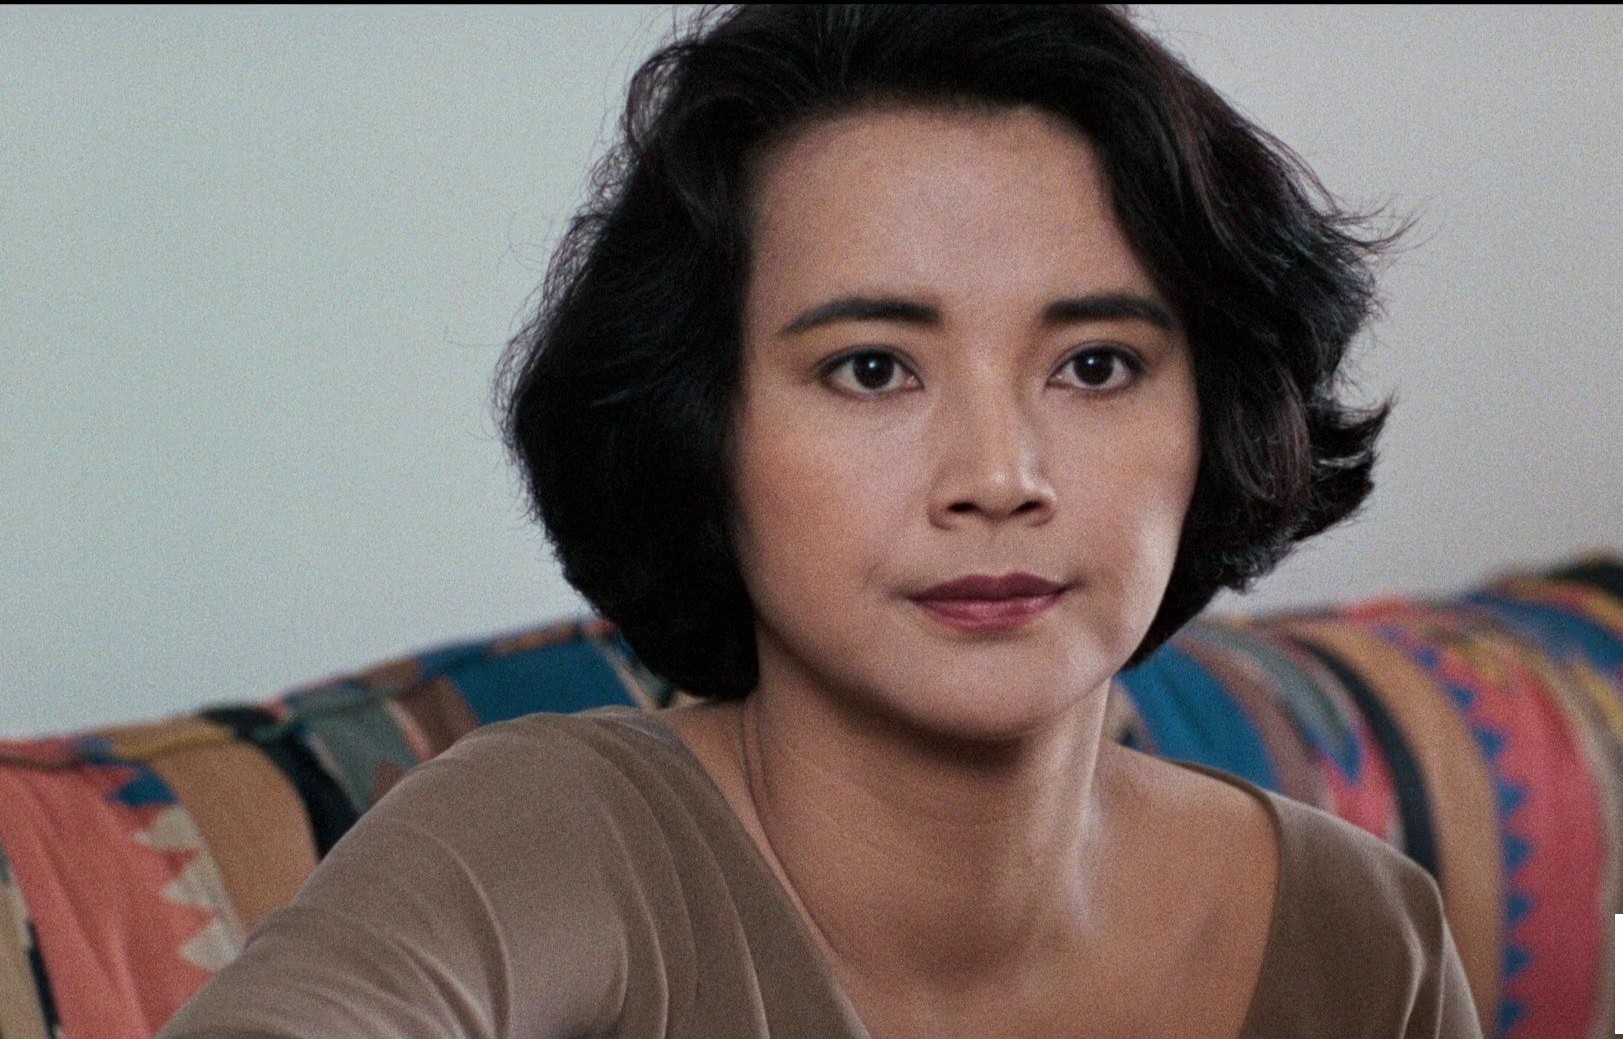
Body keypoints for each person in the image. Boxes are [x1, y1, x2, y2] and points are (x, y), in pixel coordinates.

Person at [159, 5, 1481, 1037]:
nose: (998, 476)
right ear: (703, 429)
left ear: (1219, 419)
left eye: (1095, 366)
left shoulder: (1365, 937)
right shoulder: (547, 841)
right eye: (871, 370)